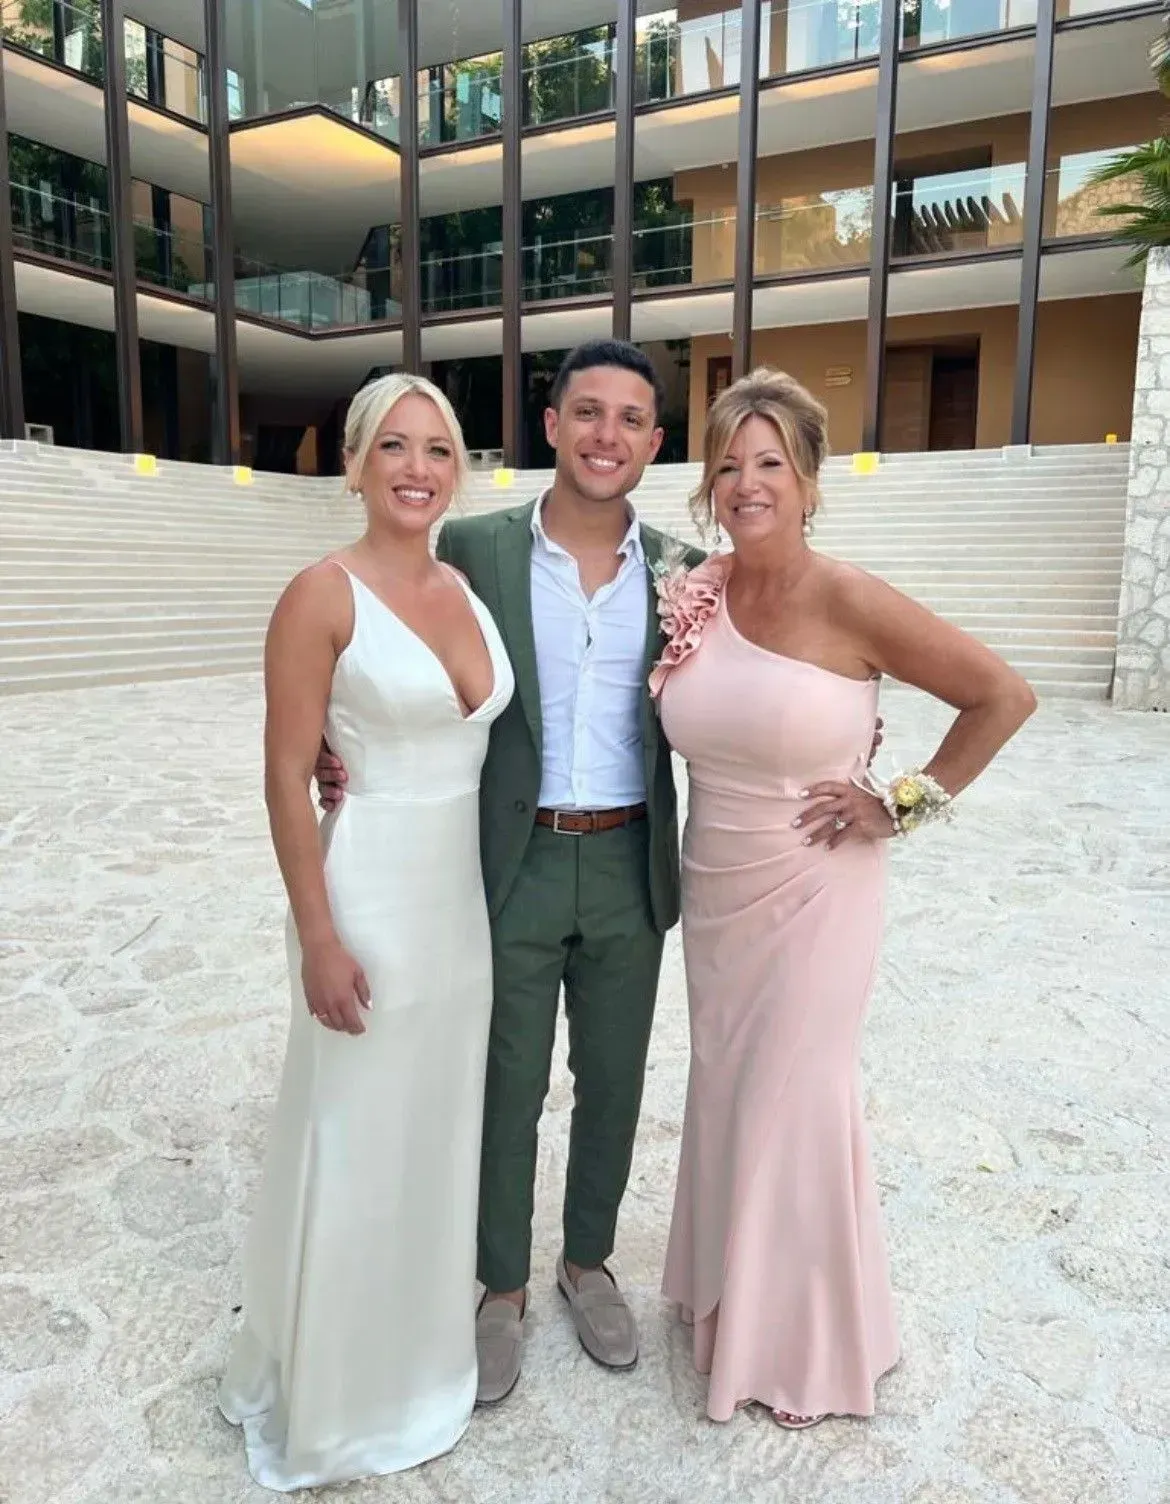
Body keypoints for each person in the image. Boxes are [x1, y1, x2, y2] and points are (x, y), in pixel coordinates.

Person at [316, 340, 707, 1405]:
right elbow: (384, 611)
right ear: (550, 425)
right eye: (587, 412)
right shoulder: (479, 547)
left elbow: (747, 674)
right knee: (508, 1081)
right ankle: (500, 1286)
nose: (606, 436)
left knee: (616, 1082)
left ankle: (587, 1261)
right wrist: (334, 732)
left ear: (656, 442)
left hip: (631, 860)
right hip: (516, 862)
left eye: (631, 419)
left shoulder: (684, 573)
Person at [653, 367, 1037, 1429]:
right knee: (729, 1086)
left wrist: (902, 802)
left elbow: (1002, 694)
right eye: (728, 464)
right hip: (718, 882)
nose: (746, 482)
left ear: (811, 480)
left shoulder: (849, 595)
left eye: (769, 462)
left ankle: (806, 1346)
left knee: (798, 1097)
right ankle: (725, 1299)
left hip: (819, 884)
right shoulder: (699, 591)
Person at [217, 373, 514, 1491]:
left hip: (460, 909)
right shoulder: (320, 593)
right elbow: (289, 778)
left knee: (433, 1136)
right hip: (373, 892)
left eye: (438, 449)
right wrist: (317, 938)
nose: (417, 467)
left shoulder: (469, 583)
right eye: (393, 446)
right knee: (354, 1136)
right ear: (352, 463)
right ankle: (342, 1398)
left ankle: (419, 1359)